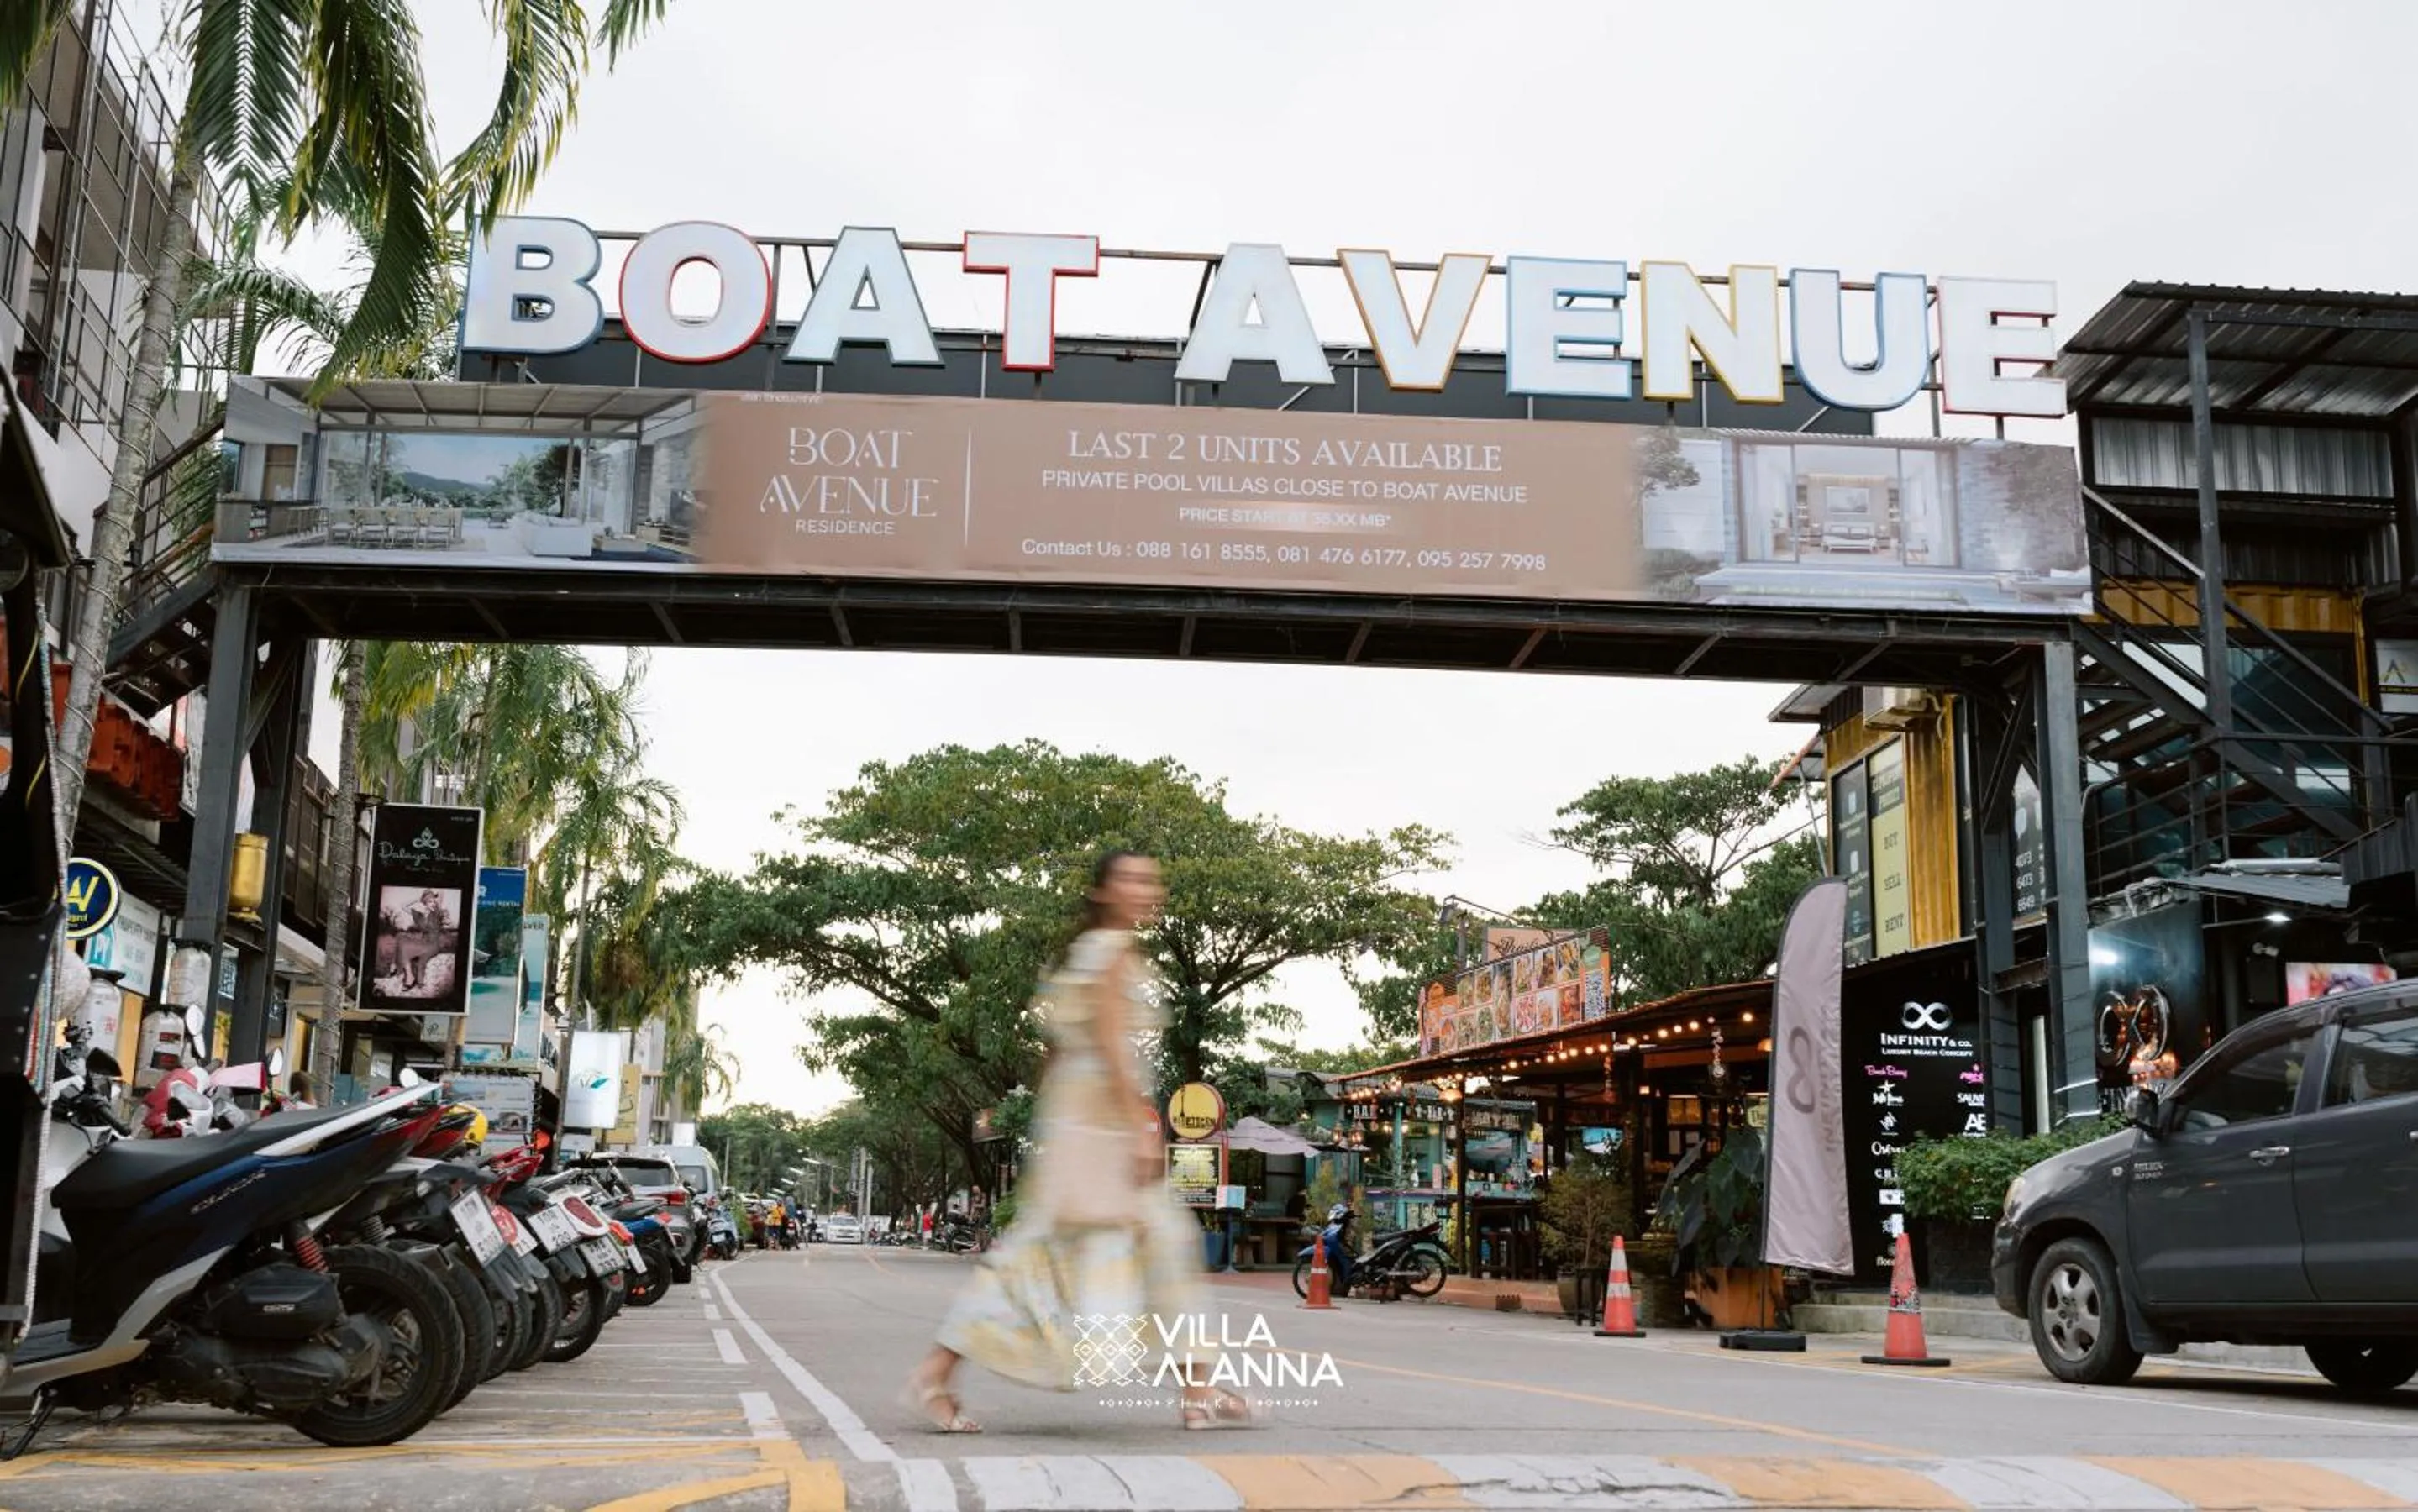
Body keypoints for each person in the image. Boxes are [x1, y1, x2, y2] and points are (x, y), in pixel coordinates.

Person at [905, 850, 1259, 1434]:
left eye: (1150, 879)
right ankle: (935, 1374)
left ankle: (1197, 1391)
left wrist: (1059, 1130)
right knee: (1115, 1248)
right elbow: (1113, 1047)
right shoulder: (1112, 953)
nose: (1146, 889)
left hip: (1079, 1121)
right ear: (1102, 892)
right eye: (1131, 879)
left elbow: (1057, 1054)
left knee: (1124, 1246)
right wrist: (1137, 1128)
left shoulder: (1089, 954)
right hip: (1100, 1125)